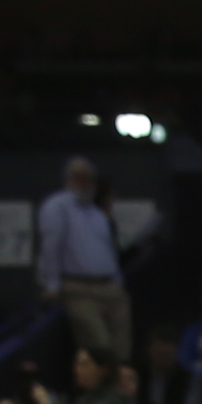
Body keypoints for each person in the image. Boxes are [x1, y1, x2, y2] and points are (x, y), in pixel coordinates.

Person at [38, 156, 131, 364]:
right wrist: (52, 284)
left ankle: (119, 393)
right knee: (99, 347)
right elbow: (51, 246)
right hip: (79, 288)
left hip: (110, 287)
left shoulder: (97, 214)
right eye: (79, 178)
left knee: (122, 351)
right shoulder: (57, 207)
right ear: (69, 179)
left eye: (89, 179)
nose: (85, 184)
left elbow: (108, 251)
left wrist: (117, 282)